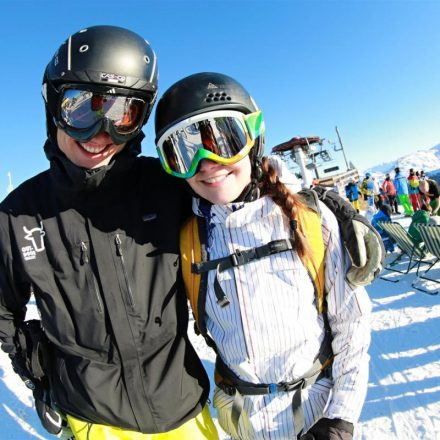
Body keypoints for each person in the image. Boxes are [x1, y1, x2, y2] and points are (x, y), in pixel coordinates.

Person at [0, 26, 219, 440]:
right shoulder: (19, 215)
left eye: (124, 113)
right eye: (81, 109)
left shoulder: (166, 185)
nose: (101, 133)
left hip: (183, 409)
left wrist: (325, 213)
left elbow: (237, 200)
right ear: (53, 107)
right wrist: (37, 371)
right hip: (92, 418)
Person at [154, 72, 373, 440]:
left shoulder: (307, 219)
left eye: (224, 139)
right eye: (184, 152)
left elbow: (352, 325)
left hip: (315, 413)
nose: (206, 163)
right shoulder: (189, 237)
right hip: (242, 421)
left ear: (253, 138)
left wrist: (340, 417)